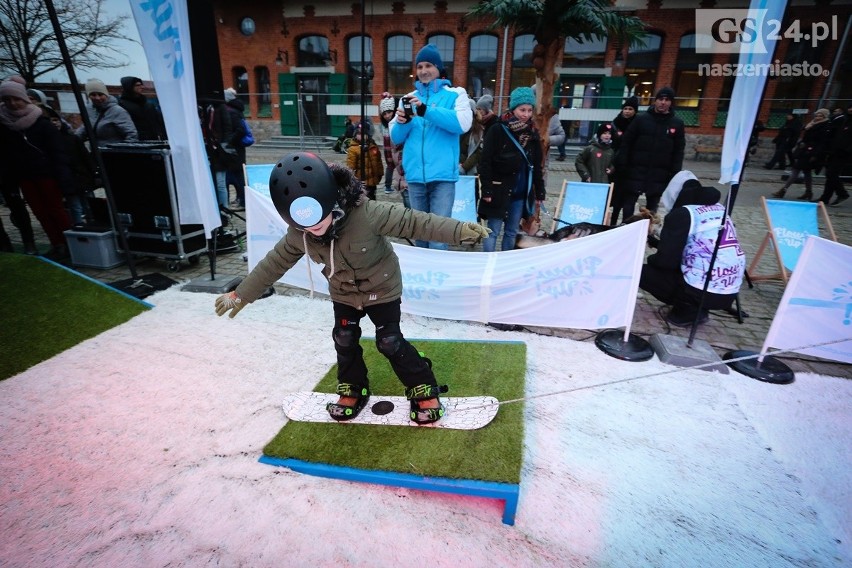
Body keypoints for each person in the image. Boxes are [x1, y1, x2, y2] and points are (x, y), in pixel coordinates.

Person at [213, 152, 489, 424]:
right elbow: (274, 263)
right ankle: (354, 388)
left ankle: (422, 386)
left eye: (320, 223)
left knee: (389, 341)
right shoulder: (299, 234)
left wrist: (458, 230)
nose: (315, 231)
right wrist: (242, 294)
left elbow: (414, 221)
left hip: (381, 288)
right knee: (344, 337)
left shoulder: (368, 214)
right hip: (344, 292)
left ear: (332, 201)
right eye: (306, 227)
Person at [389, 43, 472, 249]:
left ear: (438, 68)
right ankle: (425, 278)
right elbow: (396, 137)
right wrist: (402, 123)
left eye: (428, 66)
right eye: (419, 67)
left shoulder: (456, 94)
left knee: (439, 236)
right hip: (415, 178)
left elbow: (462, 124)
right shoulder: (407, 99)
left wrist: (426, 110)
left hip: (442, 178)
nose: (423, 71)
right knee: (420, 235)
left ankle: (439, 278)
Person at [640, 178, 745, 328]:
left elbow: (666, 262)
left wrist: (653, 258)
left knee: (640, 271)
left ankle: (687, 310)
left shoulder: (683, 214)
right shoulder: (721, 210)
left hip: (700, 292)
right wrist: (659, 244)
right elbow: (698, 249)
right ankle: (697, 309)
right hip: (729, 292)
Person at [0, 77, 73, 259]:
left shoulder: (42, 123)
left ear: (24, 99)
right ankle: (56, 243)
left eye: (16, 99)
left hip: (47, 175)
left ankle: (69, 243)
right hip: (24, 176)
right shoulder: (4, 125)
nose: (12, 103)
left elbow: (58, 152)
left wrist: (63, 177)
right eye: (7, 99)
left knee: (56, 210)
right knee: (40, 212)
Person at [477, 87, 545, 252]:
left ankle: (505, 265)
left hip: (520, 193)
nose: (526, 114)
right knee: (492, 231)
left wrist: (540, 192)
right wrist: (486, 190)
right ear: (513, 108)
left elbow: (536, 166)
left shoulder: (533, 134)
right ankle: (487, 263)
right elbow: (485, 161)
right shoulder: (498, 129)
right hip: (498, 189)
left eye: (529, 110)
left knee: (512, 231)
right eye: (522, 109)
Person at [613, 86, 685, 216]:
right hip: (635, 170)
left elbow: (678, 151)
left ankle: (647, 232)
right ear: (655, 101)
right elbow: (626, 143)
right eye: (660, 99)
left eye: (667, 100)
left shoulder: (677, 124)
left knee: (652, 208)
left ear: (671, 102)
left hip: (659, 174)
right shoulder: (640, 120)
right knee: (628, 205)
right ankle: (627, 229)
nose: (663, 102)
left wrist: (674, 172)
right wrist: (622, 164)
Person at [45, 106, 97, 227]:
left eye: (56, 120)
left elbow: (85, 157)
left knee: (88, 203)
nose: (54, 123)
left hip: (82, 177)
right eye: (51, 121)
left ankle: (93, 223)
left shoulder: (72, 138)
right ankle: (79, 227)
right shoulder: (49, 143)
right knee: (75, 206)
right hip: (67, 180)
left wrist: (92, 172)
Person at [771, 108, 832, 201]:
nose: (817, 117)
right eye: (817, 115)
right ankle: (808, 192)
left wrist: (815, 154)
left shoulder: (825, 126)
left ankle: (784, 190)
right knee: (806, 172)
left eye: (820, 115)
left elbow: (821, 142)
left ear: (824, 116)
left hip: (811, 152)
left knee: (796, 170)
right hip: (804, 150)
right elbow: (805, 135)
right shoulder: (812, 124)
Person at [209, 88, 247, 209]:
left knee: (237, 176)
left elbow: (239, 130)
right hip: (231, 149)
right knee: (232, 176)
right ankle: (240, 199)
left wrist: (228, 143)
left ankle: (243, 201)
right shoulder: (233, 110)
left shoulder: (231, 112)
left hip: (233, 149)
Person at [75, 78, 138, 145]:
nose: (97, 98)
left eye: (100, 94)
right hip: (96, 152)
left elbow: (132, 134)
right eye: (93, 95)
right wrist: (73, 140)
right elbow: (86, 128)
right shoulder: (89, 109)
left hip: (114, 152)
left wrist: (124, 150)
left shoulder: (117, 111)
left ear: (106, 94)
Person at [812, 102, 851, 207]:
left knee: (832, 174)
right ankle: (825, 198)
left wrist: (847, 149)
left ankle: (842, 193)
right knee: (830, 174)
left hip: (844, 152)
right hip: (835, 150)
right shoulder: (844, 120)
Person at [609, 96, 639, 225]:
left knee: (626, 199)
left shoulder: (637, 124)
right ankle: (612, 222)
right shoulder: (616, 123)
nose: (627, 111)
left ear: (635, 111)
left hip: (631, 165)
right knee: (615, 197)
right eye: (625, 108)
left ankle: (625, 223)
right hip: (616, 164)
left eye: (630, 109)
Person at [117, 76, 166, 141]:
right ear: (129, 87)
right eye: (137, 85)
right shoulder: (122, 105)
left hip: (154, 140)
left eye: (141, 85)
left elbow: (158, 122)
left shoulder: (148, 104)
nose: (142, 87)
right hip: (136, 141)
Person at [346, 122, 384, 200]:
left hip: (372, 182)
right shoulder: (353, 149)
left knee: (372, 199)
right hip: (361, 181)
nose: (362, 136)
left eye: (364, 134)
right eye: (359, 134)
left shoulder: (373, 146)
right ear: (355, 135)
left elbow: (378, 161)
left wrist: (380, 174)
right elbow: (350, 166)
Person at [378, 94, 398, 195]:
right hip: (389, 149)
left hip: (397, 148)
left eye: (389, 112)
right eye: (384, 114)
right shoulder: (384, 126)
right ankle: (387, 185)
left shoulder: (398, 122)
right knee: (390, 167)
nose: (387, 116)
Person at [459, 99, 485, 176]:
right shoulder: (456, 127)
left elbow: (478, 153)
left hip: (468, 171)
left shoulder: (478, 131)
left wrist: (464, 167)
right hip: (452, 168)